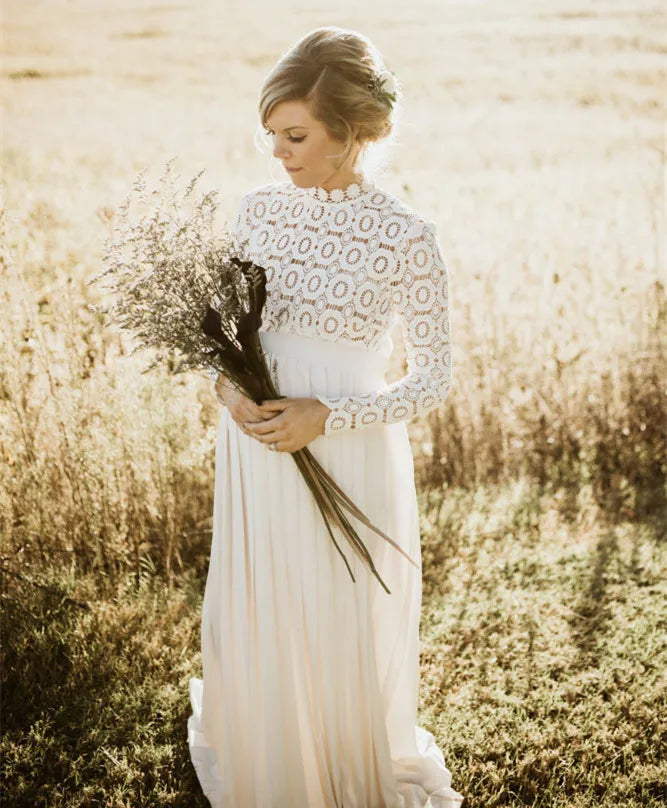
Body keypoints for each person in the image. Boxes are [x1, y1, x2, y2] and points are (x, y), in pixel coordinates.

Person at [186, 25, 465, 808]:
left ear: (352, 130)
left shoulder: (408, 237)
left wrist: (327, 415)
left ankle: (337, 764)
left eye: (296, 134)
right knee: (264, 600)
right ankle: (273, 753)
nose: (278, 151)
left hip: (347, 449)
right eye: (271, 134)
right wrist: (227, 390)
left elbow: (432, 380)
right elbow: (218, 333)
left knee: (335, 612)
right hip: (255, 446)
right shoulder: (256, 211)